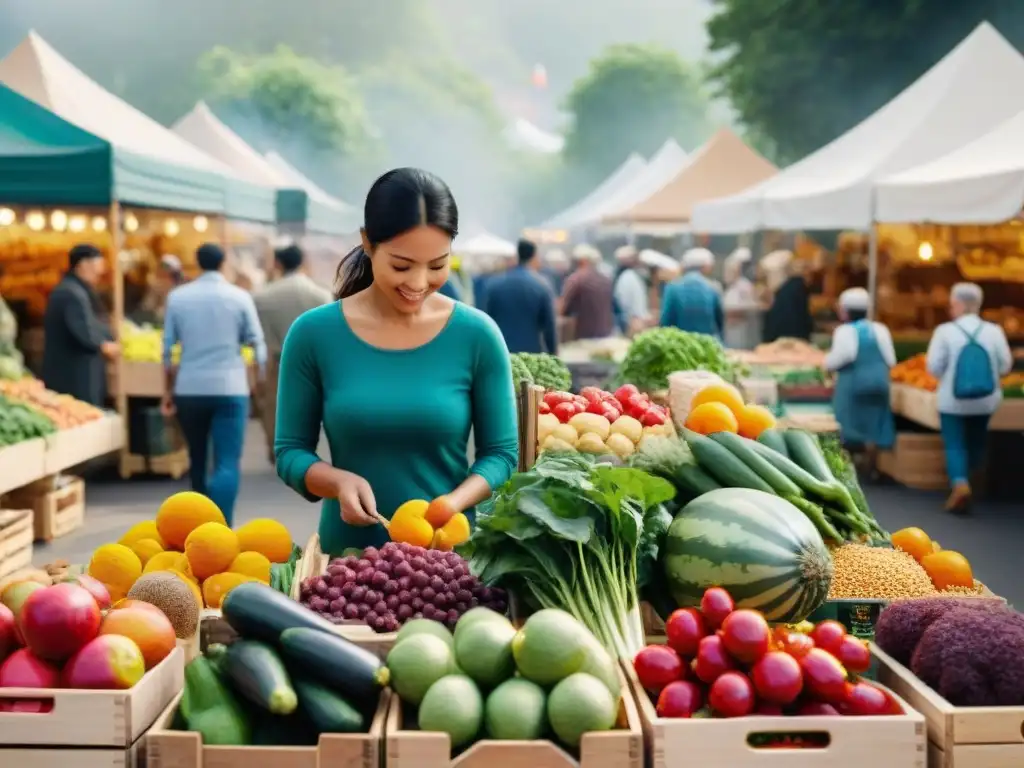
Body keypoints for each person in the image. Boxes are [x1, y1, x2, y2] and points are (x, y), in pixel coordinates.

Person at [274, 167, 519, 556]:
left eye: (438, 266)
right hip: (348, 566)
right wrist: (336, 482)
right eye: (402, 266)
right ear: (367, 244)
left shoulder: (478, 335)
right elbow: (289, 452)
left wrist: (452, 504)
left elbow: (503, 455)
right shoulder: (313, 334)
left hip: (448, 562)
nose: (419, 283)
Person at [162, 243, 267, 525]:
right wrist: (257, 381)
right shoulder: (240, 297)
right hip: (230, 388)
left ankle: (200, 523)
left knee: (197, 458)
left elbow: (168, 349)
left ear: (197, 263)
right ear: (223, 264)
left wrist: (167, 392)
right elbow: (258, 345)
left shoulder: (177, 298)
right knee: (227, 461)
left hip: (189, 387)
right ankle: (221, 526)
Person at [926, 282, 1012, 514]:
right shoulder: (994, 331)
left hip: (952, 400)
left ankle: (960, 483)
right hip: (986, 399)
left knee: (954, 442)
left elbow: (933, 367)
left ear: (958, 304)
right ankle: (974, 478)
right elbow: (1005, 366)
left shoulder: (945, 331)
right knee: (976, 441)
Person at [253, 244, 333, 463]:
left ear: (278, 263)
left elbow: (260, 338)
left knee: (275, 407)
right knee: (309, 406)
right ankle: (305, 451)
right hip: (315, 362)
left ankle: (279, 450)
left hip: (278, 360)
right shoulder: (321, 294)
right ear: (302, 261)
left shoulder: (262, 297)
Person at [824, 288, 896, 478]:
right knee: (874, 423)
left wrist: (826, 364)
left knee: (847, 424)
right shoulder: (881, 329)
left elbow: (839, 358)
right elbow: (891, 360)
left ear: (845, 311)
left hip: (853, 385)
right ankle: (872, 465)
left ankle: (850, 467)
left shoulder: (844, 331)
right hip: (880, 384)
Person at [42, 244, 119, 406]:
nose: (99, 276)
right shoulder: (71, 293)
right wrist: (105, 345)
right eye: (96, 270)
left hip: (76, 375)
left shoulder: (75, 290)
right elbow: (84, 332)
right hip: (74, 377)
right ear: (83, 265)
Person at [484, 238, 558, 353]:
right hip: (530, 354)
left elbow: (486, 320)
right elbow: (549, 326)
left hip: (501, 351)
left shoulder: (495, 284)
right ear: (534, 257)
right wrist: (554, 356)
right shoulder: (541, 285)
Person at [659, 248, 724, 338]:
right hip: (707, 345)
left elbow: (665, 322)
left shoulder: (672, 288)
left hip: (679, 345)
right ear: (706, 267)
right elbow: (719, 322)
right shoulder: (713, 288)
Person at [561, 244, 614, 340]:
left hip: (584, 335)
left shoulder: (576, 279)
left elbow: (564, 308)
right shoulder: (606, 279)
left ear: (583, 261)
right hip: (606, 333)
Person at [763, 260, 813, 343]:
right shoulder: (800, 287)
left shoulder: (785, 287)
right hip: (794, 335)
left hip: (775, 334)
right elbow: (803, 314)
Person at [722, 247, 761, 349]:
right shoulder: (729, 288)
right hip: (730, 330)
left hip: (743, 329)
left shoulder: (744, 285)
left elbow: (752, 306)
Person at [613, 245, 650, 337]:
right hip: (632, 323)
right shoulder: (629, 277)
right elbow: (632, 303)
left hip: (631, 321)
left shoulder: (627, 277)